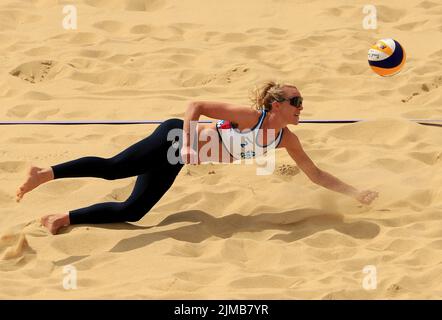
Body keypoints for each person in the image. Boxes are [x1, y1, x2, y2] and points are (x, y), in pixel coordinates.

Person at [15, 81, 379, 235]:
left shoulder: (287, 138)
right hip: (173, 138)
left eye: (302, 101)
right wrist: (187, 142)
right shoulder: (251, 117)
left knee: (134, 211)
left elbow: (315, 174)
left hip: (179, 157)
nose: (302, 106)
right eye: (296, 101)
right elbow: (196, 105)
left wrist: (354, 193)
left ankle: (63, 217)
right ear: (276, 104)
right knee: (115, 169)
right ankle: (43, 173)